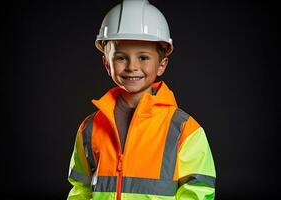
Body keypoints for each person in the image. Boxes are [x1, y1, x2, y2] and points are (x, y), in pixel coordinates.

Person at [66, 0, 216, 199]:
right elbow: (80, 188)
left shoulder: (184, 129)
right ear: (106, 63)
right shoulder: (90, 127)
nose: (131, 67)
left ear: (161, 65)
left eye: (143, 57)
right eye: (121, 57)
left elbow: (198, 190)